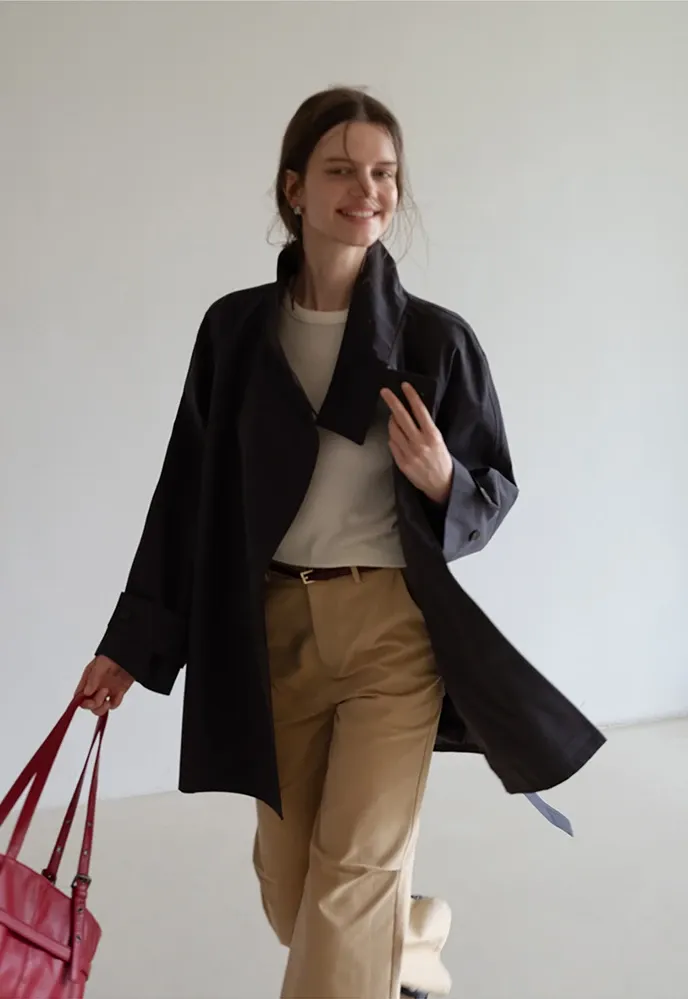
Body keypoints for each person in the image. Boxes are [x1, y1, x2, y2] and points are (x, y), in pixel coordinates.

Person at [76, 87, 605, 999]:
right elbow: (187, 493)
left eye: (384, 173)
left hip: (391, 634)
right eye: (341, 170)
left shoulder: (435, 341)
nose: (368, 190)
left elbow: (491, 491)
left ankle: (384, 937)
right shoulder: (235, 332)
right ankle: (414, 941)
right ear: (294, 188)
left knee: (348, 889)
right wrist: (134, 642)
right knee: (297, 903)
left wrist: (443, 480)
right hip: (271, 629)